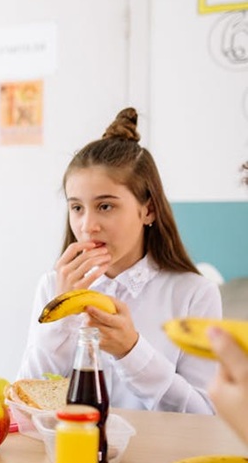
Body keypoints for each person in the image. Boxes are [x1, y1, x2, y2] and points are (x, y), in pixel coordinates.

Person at [17, 108, 220, 413]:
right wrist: (59, 323)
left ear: (147, 211)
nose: (87, 226)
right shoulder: (52, 287)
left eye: (106, 207)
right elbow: (24, 403)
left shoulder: (194, 294)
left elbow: (205, 415)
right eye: (77, 208)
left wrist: (131, 351)